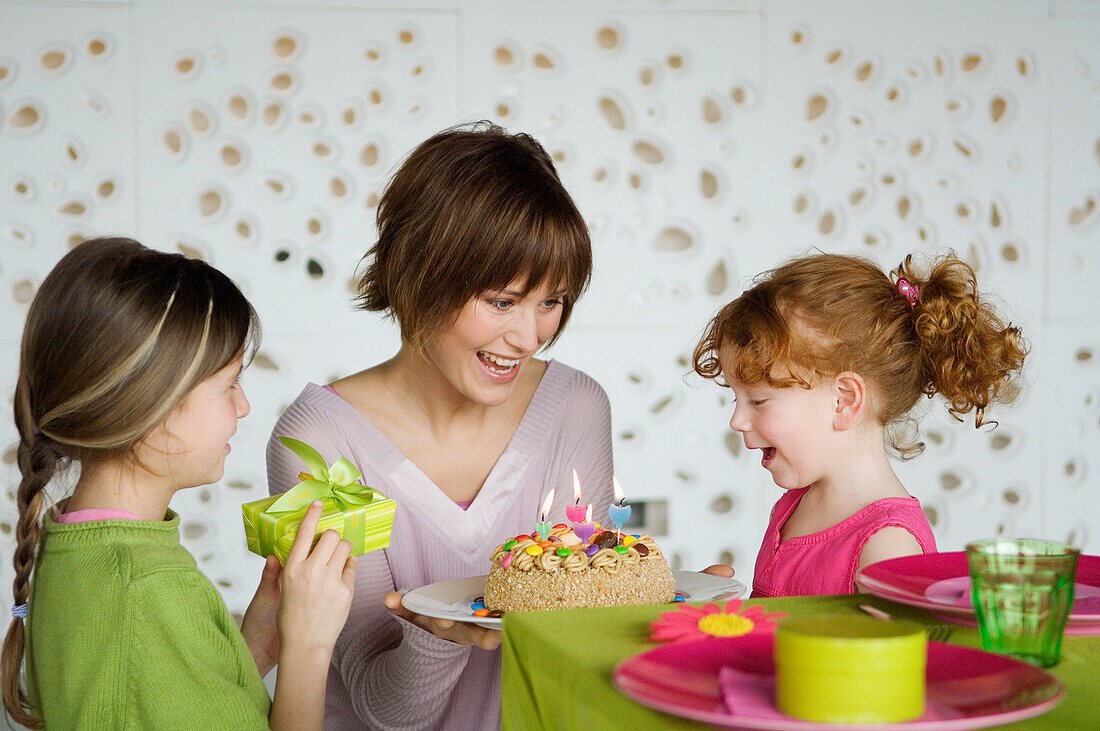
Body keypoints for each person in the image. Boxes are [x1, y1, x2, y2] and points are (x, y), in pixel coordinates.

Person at [265, 122, 617, 729]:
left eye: (551, 302)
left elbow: (576, 641)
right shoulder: (320, 441)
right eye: (502, 302)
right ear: (419, 273)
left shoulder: (575, 407)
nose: (528, 337)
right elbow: (381, 709)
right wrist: (446, 633)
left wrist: (654, 617)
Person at [1, 237, 357, 729]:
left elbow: (147, 698)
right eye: (229, 384)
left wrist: (252, 647)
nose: (244, 406)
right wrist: (309, 645)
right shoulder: (148, 587)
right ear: (154, 407)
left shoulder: (76, 546)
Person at [692, 251, 1028, 597]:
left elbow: (885, 653)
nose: (737, 420)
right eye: (737, 398)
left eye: (758, 400)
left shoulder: (888, 545)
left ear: (844, 401)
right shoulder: (794, 505)